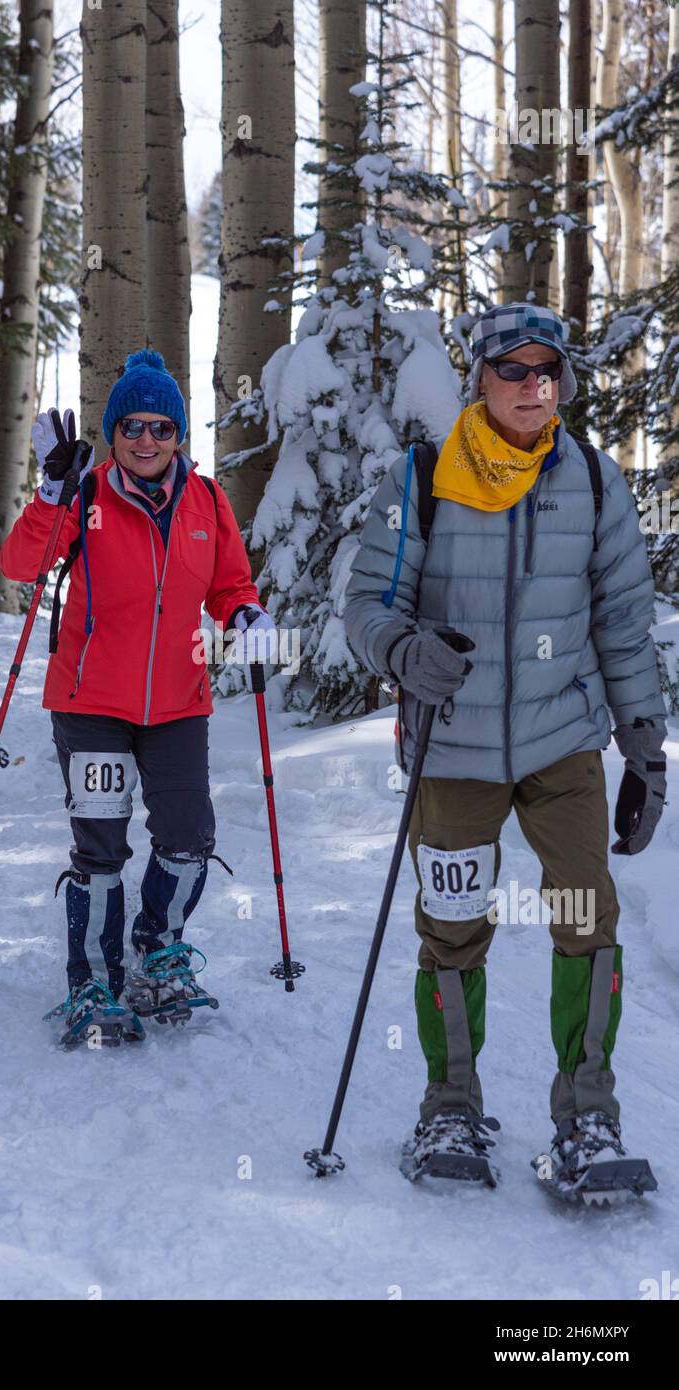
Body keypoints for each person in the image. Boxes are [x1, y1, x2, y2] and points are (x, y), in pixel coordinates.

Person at [344, 303, 668, 1201]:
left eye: (546, 371)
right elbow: (366, 604)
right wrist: (403, 651)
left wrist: (643, 746)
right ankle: (449, 1107)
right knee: (452, 932)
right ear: (478, 380)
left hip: (562, 748)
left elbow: (623, 626)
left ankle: (586, 1118)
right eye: (514, 370)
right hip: (451, 753)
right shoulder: (422, 478)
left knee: (584, 920)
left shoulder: (595, 484)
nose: (534, 387)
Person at [0, 349, 272, 1044]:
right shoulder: (84, 494)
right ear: (113, 433)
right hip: (90, 703)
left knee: (187, 839)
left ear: (179, 436)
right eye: (133, 427)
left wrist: (244, 614)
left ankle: (158, 952)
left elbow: (230, 584)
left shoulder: (208, 502)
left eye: (161, 428)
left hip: (179, 705)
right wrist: (50, 495)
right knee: (101, 847)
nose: (147, 440)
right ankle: (93, 982)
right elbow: (19, 566)